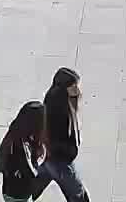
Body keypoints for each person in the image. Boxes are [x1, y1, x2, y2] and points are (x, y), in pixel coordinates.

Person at [41, 68, 88, 202]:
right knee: (78, 194)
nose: (77, 90)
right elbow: (53, 140)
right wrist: (69, 152)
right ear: (63, 88)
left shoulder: (61, 101)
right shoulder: (55, 110)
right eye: (73, 86)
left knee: (40, 181)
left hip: (54, 159)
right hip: (60, 161)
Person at [0, 101, 48, 202]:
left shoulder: (16, 131)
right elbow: (30, 172)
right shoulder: (21, 146)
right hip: (18, 194)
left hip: (11, 189)